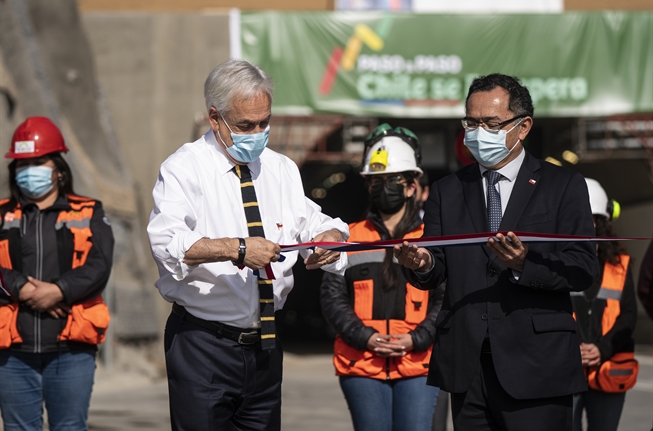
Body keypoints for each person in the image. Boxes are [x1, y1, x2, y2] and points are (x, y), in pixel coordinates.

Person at [147, 59, 349, 431]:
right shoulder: (183, 168)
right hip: (203, 344)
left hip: (265, 347)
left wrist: (329, 240)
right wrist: (238, 249)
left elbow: (317, 223)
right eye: (245, 126)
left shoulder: (281, 169)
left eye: (264, 123)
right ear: (214, 117)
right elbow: (166, 242)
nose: (257, 133)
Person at [394, 73, 599, 431]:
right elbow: (437, 264)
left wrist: (524, 264)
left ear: (523, 127)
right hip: (467, 364)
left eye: (490, 123)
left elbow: (582, 267)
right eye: (470, 122)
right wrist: (422, 263)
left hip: (537, 366)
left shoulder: (563, 185)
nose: (477, 131)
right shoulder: (448, 190)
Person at [321, 125, 444, 431]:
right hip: (361, 364)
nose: (382, 187)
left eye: (391, 180)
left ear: (411, 185)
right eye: (375, 181)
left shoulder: (431, 239)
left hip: (419, 364)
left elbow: (444, 299)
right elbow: (332, 298)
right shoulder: (350, 236)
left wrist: (416, 338)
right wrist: (368, 338)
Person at [0, 116, 114, 430]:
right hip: (12, 353)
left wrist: (59, 290)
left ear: (59, 169)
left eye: (38, 161)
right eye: (22, 164)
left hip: (71, 350)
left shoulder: (89, 210)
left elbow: (99, 266)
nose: (29, 170)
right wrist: (20, 287)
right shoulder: (2, 214)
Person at [571, 178, 637, 431]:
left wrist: (601, 348)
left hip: (609, 367)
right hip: (568, 368)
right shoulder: (555, 263)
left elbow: (628, 315)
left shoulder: (620, 265)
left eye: (589, 219)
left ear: (601, 221)